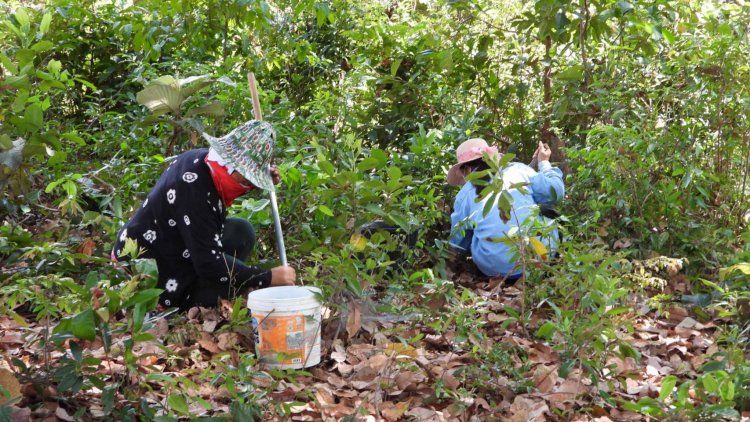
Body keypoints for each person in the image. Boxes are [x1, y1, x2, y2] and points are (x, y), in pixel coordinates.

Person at [112, 120, 296, 310]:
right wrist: (267, 277)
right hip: (148, 266)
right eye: (246, 178)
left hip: (176, 243)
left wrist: (258, 178)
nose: (246, 185)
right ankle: (180, 300)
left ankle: (210, 283)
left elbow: (231, 185)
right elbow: (209, 262)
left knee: (241, 232)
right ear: (232, 166)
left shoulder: (204, 160)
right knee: (224, 287)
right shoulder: (195, 192)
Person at [447, 138, 564, 283]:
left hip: (492, 269)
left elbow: (458, 242)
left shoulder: (464, 195)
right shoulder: (518, 169)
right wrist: (544, 163)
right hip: (538, 259)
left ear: (466, 170)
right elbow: (555, 193)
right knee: (549, 211)